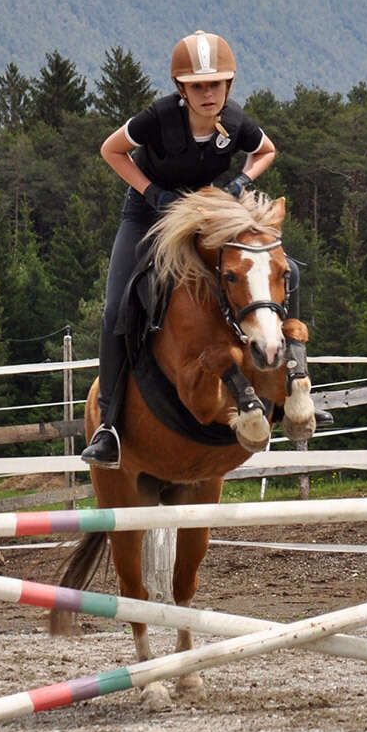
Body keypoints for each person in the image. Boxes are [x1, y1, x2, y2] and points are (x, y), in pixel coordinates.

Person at [80, 30, 277, 468]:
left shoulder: (236, 122)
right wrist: (151, 193)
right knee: (115, 309)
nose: (208, 94)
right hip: (150, 215)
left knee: (277, 272)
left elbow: (266, 151)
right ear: (181, 89)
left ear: (229, 86)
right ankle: (109, 425)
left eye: (216, 84)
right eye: (198, 86)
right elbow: (111, 150)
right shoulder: (158, 118)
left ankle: (292, 384)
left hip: (208, 217)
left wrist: (240, 183)